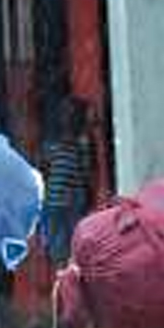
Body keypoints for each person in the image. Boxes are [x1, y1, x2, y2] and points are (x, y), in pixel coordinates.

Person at [42, 97, 94, 267]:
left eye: (71, 114)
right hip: (55, 200)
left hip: (72, 200)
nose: (67, 118)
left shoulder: (81, 143)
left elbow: (85, 171)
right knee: (58, 242)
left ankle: (69, 272)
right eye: (65, 114)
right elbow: (44, 168)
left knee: (73, 240)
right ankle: (61, 272)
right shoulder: (52, 143)